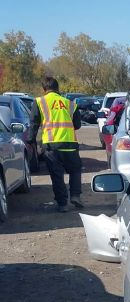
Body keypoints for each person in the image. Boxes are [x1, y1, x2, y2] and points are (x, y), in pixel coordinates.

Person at [29, 76, 83, 212]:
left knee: (57, 176)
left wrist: (30, 141)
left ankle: (62, 204)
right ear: (58, 88)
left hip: (51, 146)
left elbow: (34, 124)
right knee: (75, 170)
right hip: (70, 144)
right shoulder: (70, 103)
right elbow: (77, 125)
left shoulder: (39, 102)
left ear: (44, 88)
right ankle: (75, 195)